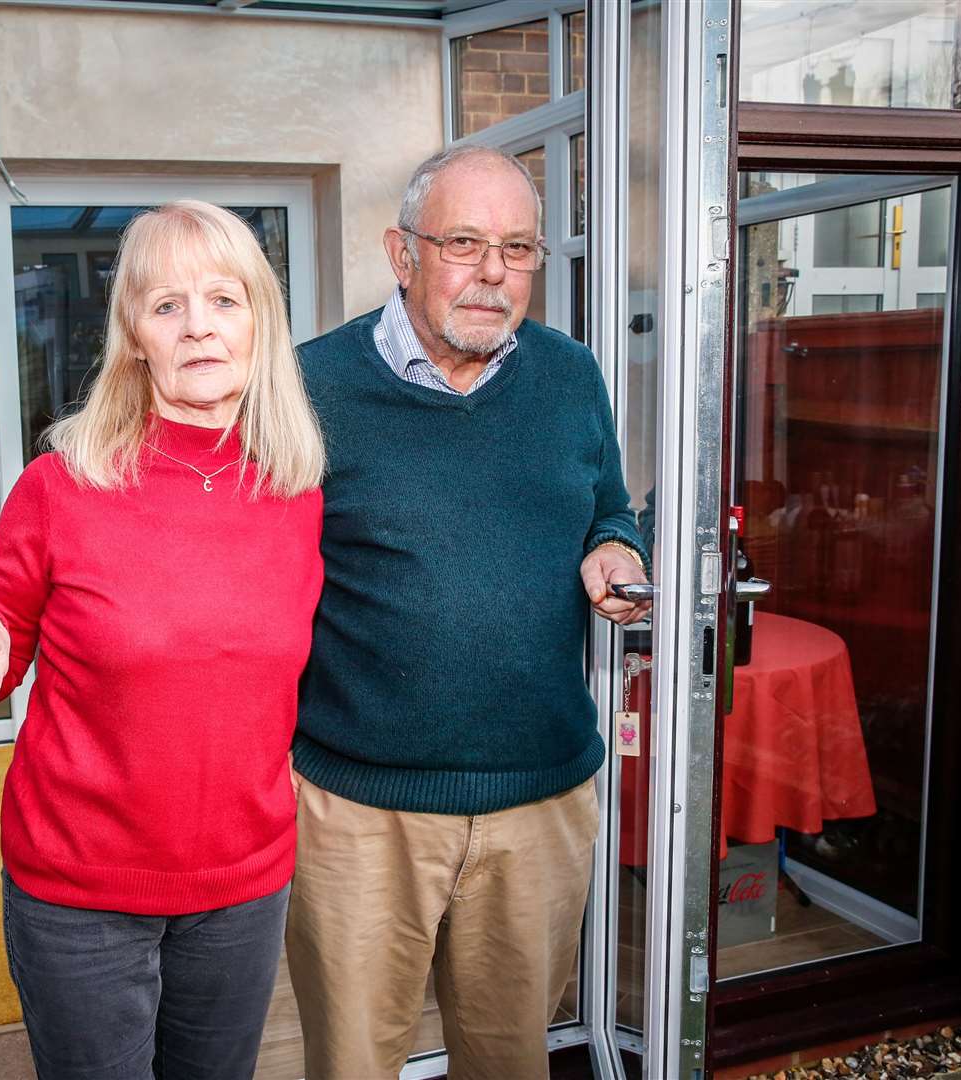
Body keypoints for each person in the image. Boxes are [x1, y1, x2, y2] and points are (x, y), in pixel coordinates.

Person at [285, 144, 650, 1080]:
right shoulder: (306, 386)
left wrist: (616, 544)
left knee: (509, 1061)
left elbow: (608, 502)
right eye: (464, 242)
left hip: (540, 803)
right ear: (400, 254)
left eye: (518, 248)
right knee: (352, 1063)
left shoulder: (571, 376)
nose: (493, 272)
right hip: (361, 812)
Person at [0, 200, 325, 1080]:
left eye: (223, 299)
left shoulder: (296, 489)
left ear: (259, 323)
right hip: (81, 890)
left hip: (243, 883)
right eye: (166, 305)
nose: (198, 325)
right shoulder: (62, 483)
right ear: (134, 335)